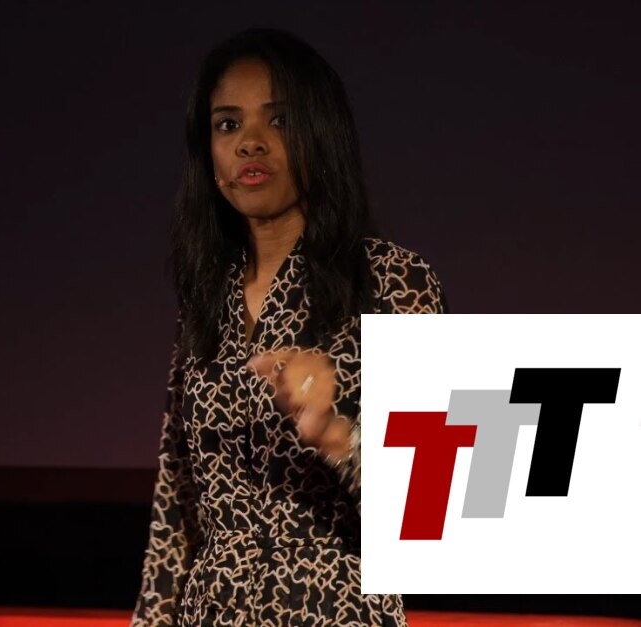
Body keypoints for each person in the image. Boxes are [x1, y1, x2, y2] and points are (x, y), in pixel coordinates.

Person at [131, 28, 446, 627]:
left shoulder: (393, 280)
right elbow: (177, 509)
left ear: (319, 136)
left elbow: (437, 503)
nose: (250, 141)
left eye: (278, 120)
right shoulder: (205, 296)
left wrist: (335, 434)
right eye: (228, 124)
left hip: (335, 612)